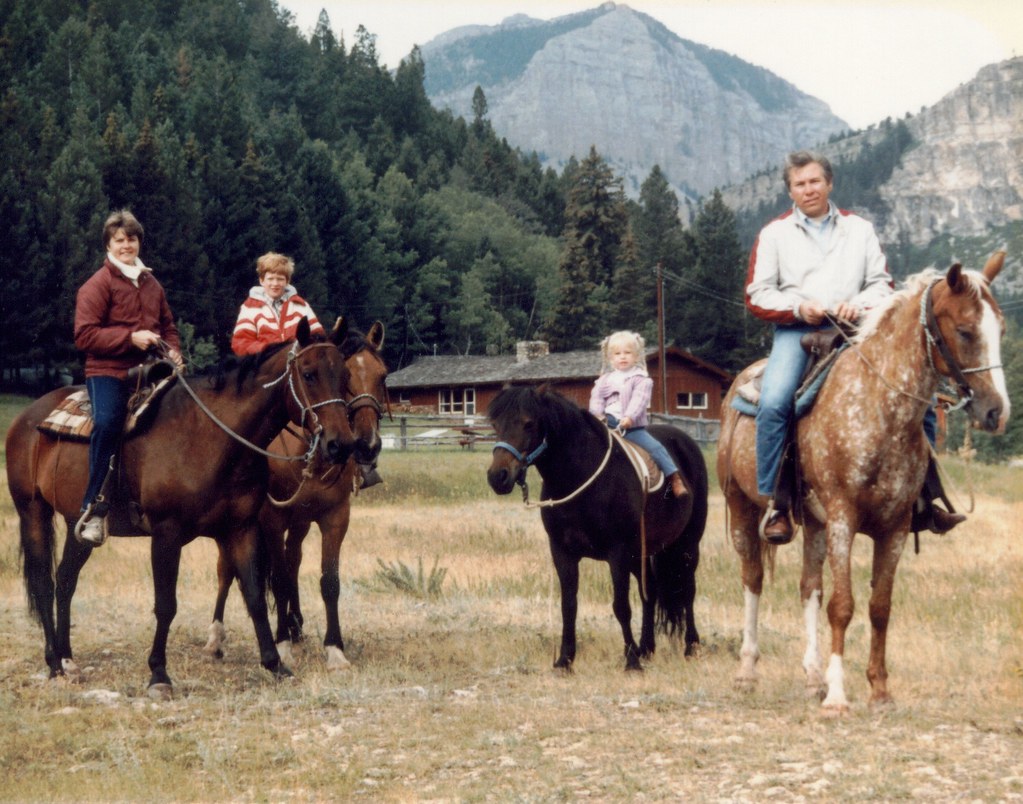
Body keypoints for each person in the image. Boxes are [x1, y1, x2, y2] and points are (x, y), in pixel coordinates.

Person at [745, 150, 964, 543]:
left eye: (815, 181)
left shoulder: (859, 229)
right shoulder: (774, 234)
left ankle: (924, 497)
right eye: (800, 184)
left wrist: (860, 304)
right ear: (790, 191)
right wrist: (799, 307)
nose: (808, 189)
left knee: (920, 398)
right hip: (799, 331)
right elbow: (758, 294)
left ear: (829, 183)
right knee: (775, 400)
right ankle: (777, 502)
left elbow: (881, 283)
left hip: (857, 329)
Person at [74, 210, 183, 547]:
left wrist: (174, 351)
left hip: (149, 370)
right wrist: (130, 338)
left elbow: (167, 326)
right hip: (107, 372)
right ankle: (92, 508)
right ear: (109, 244)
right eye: (119, 240)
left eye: (132, 239)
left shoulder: (152, 283)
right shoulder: (98, 284)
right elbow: (85, 335)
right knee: (108, 422)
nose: (127, 245)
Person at [589, 331, 687, 498]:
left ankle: (674, 478)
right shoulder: (604, 380)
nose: (622, 357)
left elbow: (639, 401)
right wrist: (597, 415)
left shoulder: (641, 379)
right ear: (611, 358)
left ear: (636, 356)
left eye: (627, 353)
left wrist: (629, 417)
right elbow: (596, 399)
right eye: (617, 354)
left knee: (656, 448)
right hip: (606, 424)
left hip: (631, 427)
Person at [230, 252, 324, 356]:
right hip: (266, 367)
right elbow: (241, 343)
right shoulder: (250, 307)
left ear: (287, 281)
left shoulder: (301, 305)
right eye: (270, 279)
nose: (275, 284)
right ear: (261, 281)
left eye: (280, 279)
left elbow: (318, 335)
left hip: (298, 364)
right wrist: (269, 350)